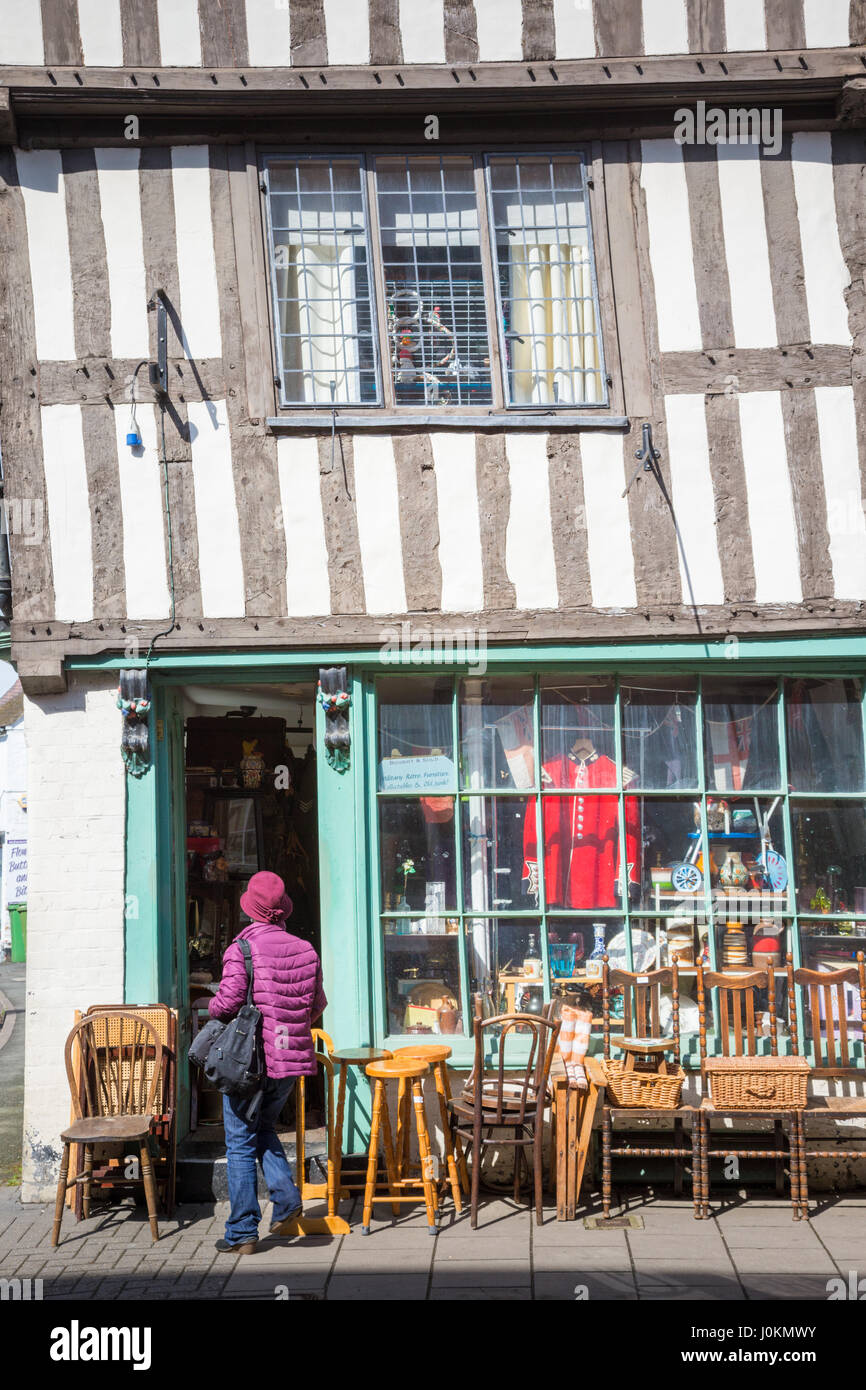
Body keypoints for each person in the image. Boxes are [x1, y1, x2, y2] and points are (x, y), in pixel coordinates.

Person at [208, 870, 327, 1254]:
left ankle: (242, 1231)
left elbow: (226, 1005)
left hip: (249, 1062)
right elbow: (316, 1006)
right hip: (290, 1058)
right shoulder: (306, 950)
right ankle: (288, 1201)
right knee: (262, 1128)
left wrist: (207, 1005)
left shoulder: (241, 949)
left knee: (240, 1141)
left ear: (250, 909)